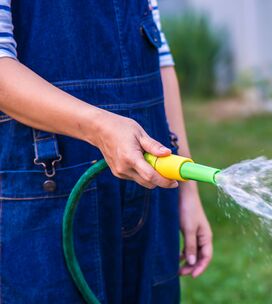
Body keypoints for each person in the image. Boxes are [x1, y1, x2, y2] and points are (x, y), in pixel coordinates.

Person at [0, 0, 212, 303]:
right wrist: (100, 128)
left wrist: (187, 192)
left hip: (149, 183)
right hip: (47, 187)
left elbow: (159, 52)